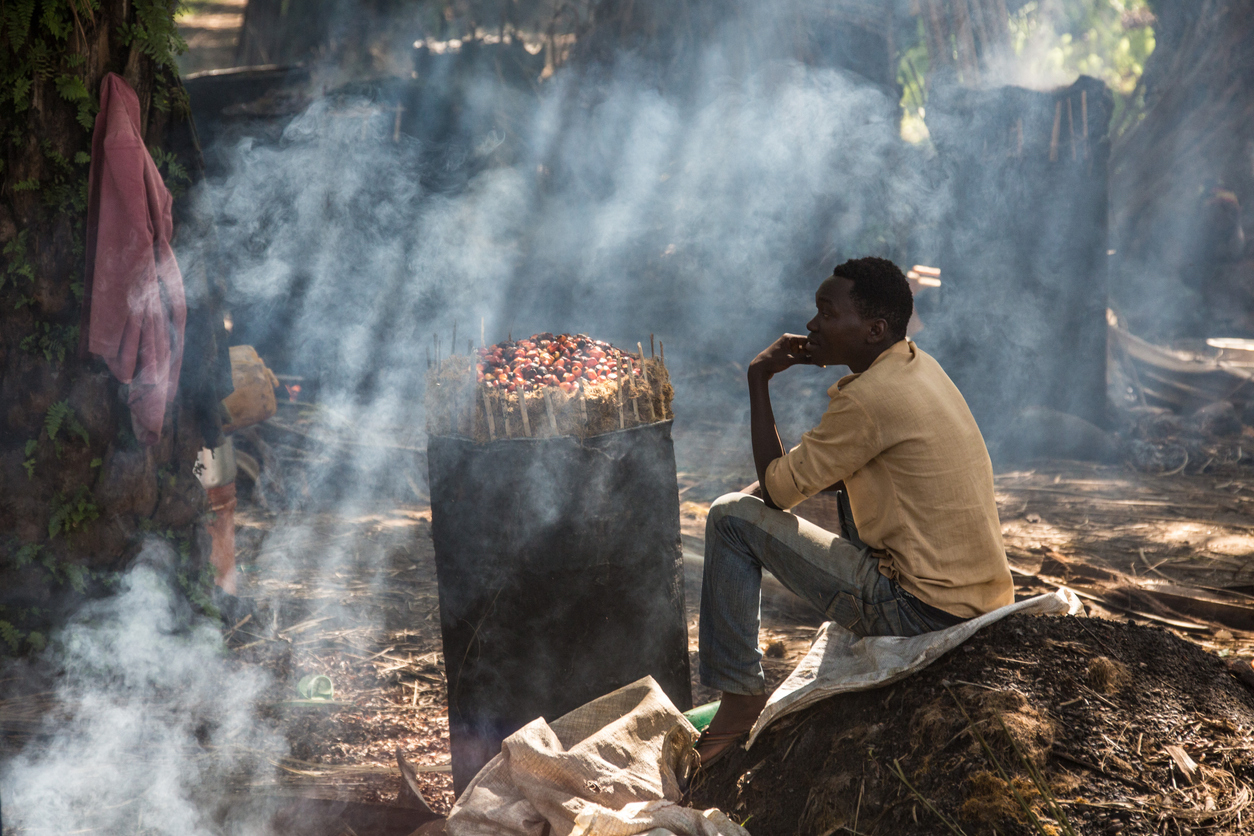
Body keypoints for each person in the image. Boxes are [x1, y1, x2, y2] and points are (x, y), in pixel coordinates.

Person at [695, 257, 1014, 765]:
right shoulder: (917, 366)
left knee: (728, 517)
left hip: (918, 609)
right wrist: (767, 493)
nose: (812, 324)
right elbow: (806, 475)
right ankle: (739, 697)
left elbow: (778, 490)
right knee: (809, 493)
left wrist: (759, 378)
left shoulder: (866, 402)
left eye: (827, 312)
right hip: (979, 598)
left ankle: (738, 705)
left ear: (873, 329)